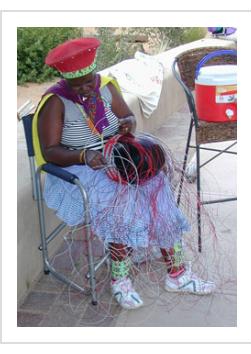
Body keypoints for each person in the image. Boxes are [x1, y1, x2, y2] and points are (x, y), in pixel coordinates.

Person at [33, 37, 215, 310]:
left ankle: (177, 274)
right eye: (78, 85)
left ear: (95, 73)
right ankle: (120, 281)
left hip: (111, 156)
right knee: (122, 201)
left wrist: (128, 125)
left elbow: (127, 116)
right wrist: (84, 155)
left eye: (89, 80)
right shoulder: (56, 102)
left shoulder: (105, 87)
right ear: (64, 80)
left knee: (157, 186)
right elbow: (50, 151)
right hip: (76, 168)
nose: (86, 89)